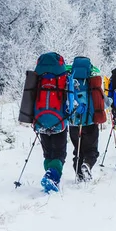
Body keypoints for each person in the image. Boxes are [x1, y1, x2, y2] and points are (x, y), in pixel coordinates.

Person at [31, 52, 70, 193]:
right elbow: (70, 100)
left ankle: (50, 174)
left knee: (48, 152)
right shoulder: (63, 77)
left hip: (40, 120)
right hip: (59, 120)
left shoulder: (37, 77)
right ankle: (52, 176)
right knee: (59, 153)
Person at [67, 57, 107, 182]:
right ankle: (87, 165)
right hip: (90, 123)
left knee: (77, 151)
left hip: (73, 123)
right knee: (91, 150)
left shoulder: (69, 81)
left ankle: (79, 175)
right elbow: (104, 103)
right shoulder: (93, 83)